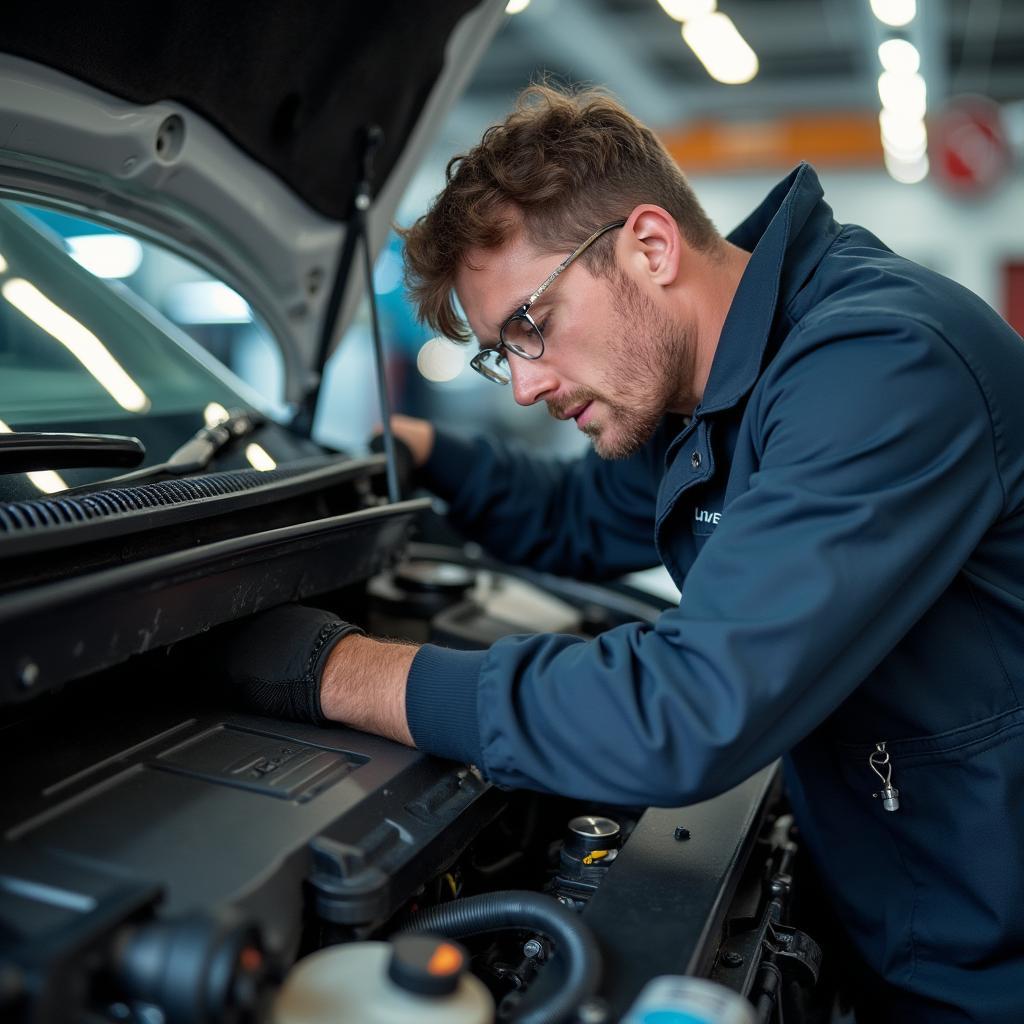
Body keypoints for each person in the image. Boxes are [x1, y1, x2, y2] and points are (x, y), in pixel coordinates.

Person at [216, 86, 1024, 1022]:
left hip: (988, 963)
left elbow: (683, 712)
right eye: (497, 356)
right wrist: (415, 450)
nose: (522, 384)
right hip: (896, 894)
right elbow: (570, 517)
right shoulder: (714, 385)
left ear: (649, 244)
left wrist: (331, 672)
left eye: (529, 326)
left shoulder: (880, 365)